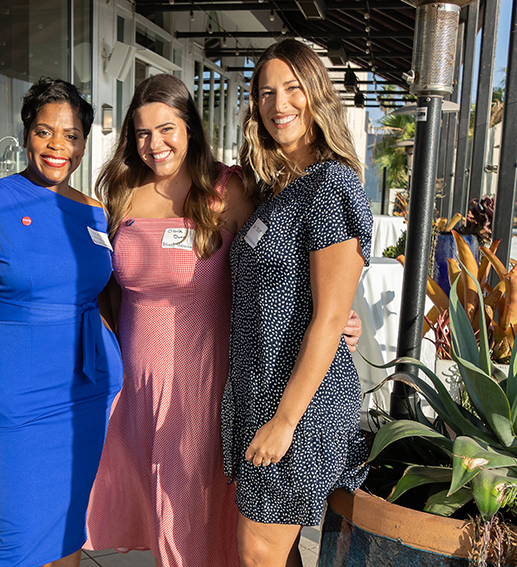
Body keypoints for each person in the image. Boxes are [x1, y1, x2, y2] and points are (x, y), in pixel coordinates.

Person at [83, 74, 362, 566]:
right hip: (138, 387)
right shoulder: (121, 194)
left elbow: (274, 270)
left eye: (167, 128)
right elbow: (107, 292)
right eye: (142, 132)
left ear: (190, 127)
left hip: (203, 382)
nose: (155, 144)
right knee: (164, 512)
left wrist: (336, 314)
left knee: (198, 520)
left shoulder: (228, 187)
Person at [0, 78, 123, 567]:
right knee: (15, 541)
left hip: (85, 392)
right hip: (12, 396)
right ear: (25, 135)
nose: (58, 146)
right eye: (45, 132)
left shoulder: (94, 212)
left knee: (68, 530)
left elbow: (101, 292)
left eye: (72, 135)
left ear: (84, 142)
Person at [221, 39, 371, 567]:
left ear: (316, 94)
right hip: (263, 394)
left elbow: (330, 318)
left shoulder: (331, 185)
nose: (278, 103)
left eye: (292, 88)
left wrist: (285, 421)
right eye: (266, 92)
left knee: (259, 551)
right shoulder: (280, 188)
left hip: (298, 405)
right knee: (272, 554)